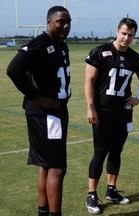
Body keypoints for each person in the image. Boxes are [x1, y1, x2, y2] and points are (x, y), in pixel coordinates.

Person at [6, 6, 72, 216]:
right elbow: (13, 69)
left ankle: (43, 212)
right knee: (57, 168)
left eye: (68, 21)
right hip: (46, 114)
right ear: (49, 22)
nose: (66, 25)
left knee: (46, 165)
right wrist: (37, 97)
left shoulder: (60, 45)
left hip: (56, 112)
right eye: (61, 21)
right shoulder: (40, 44)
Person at [84, 17, 139, 214]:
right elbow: (89, 81)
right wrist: (90, 107)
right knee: (100, 152)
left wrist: (138, 97)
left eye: (130, 35)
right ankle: (91, 194)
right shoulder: (100, 52)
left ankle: (111, 190)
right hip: (102, 112)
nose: (126, 38)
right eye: (123, 33)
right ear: (117, 31)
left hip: (123, 112)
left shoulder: (135, 57)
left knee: (116, 151)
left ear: (134, 36)